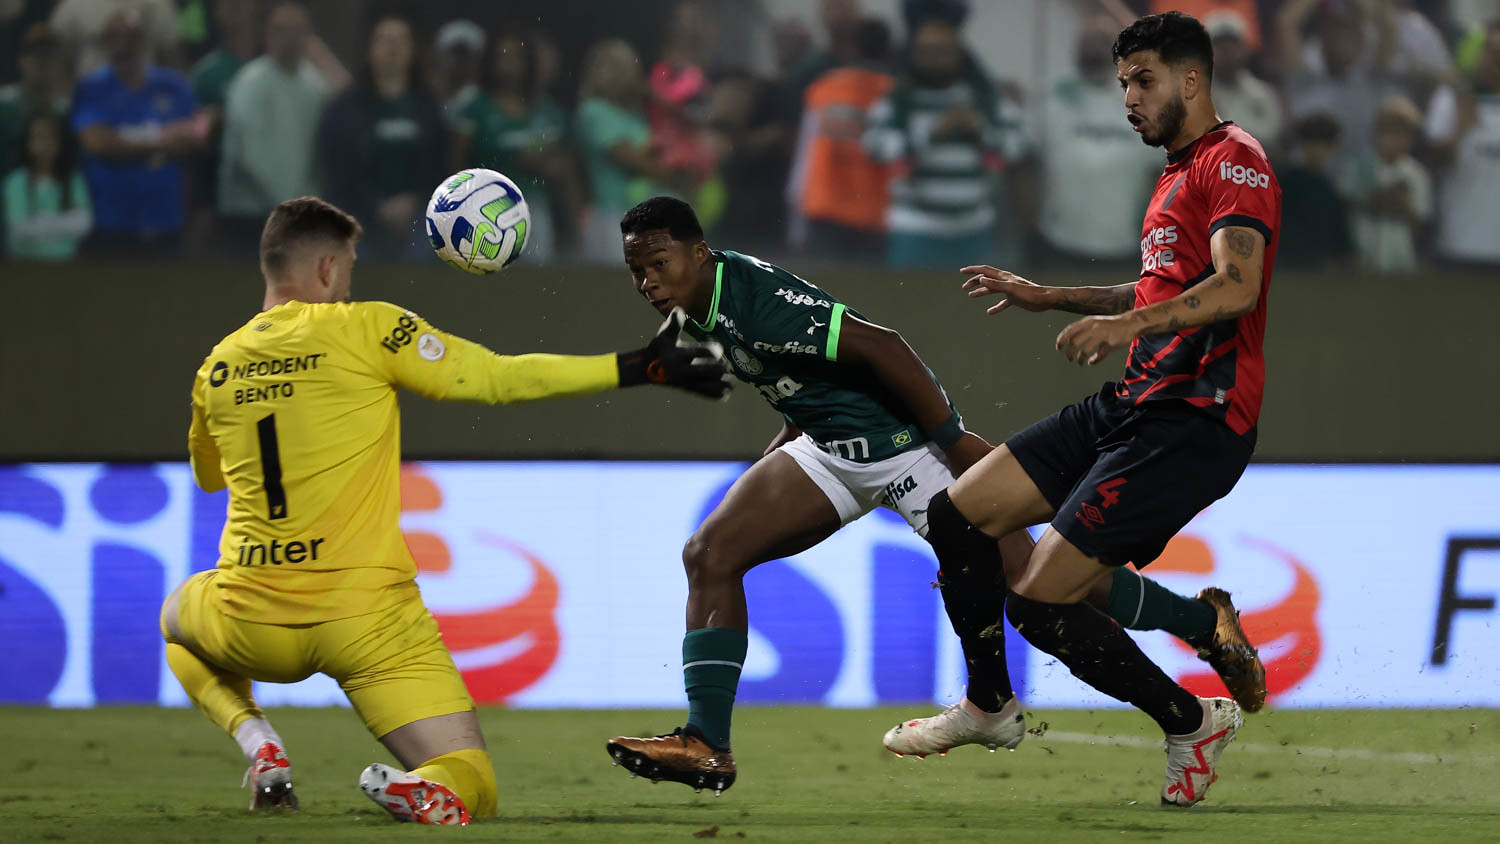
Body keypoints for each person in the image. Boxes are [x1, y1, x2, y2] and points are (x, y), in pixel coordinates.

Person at [603, 196, 1265, 796]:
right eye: (636, 272)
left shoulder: (754, 296)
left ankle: (1201, 627)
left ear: (698, 253)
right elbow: (798, 376)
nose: (647, 282)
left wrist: (952, 442)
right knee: (709, 553)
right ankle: (707, 745)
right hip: (830, 449)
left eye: (658, 264)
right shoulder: (696, 309)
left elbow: (880, 346)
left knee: (1046, 583)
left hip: (911, 450)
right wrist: (780, 456)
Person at [158, 195, 729, 824]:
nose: (347, 283)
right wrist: (641, 366)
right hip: (369, 623)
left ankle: (258, 742)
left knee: (174, 620)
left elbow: (209, 477)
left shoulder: (216, 367)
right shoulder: (366, 328)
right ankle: (428, 787)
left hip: (250, 615)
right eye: (346, 268)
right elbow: (495, 378)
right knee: (471, 782)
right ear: (325, 269)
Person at [934, 12, 1278, 807]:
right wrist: (1048, 295)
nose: (1127, 96)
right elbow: (1160, 291)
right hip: (1132, 400)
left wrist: (1125, 326)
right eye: (1123, 81)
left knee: (1039, 602)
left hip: (1193, 420)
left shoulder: (1237, 163)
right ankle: (991, 705)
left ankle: (1190, 720)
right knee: (960, 515)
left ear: (1192, 80)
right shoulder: (1173, 172)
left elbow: (1237, 286)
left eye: (1143, 80)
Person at [864, 12, 1021, 268]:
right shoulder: (898, 98)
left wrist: (982, 132)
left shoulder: (985, 98)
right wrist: (932, 134)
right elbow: (873, 145)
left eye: (941, 51)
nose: (932, 59)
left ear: (959, 53)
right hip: (915, 229)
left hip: (974, 229)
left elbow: (1018, 145)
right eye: (924, 51)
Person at [1027, 15, 1162, 268]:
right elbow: (1025, 163)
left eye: (1102, 41)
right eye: (1087, 41)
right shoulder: (1050, 96)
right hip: (1058, 243)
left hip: (1123, 247)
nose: (1094, 49)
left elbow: (1156, 175)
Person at [72, 9, 206, 258]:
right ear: (105, 43)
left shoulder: (173, 85)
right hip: (111, 223)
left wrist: (126, 141)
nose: (122, 45)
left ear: (143, 40)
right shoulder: (92, 88)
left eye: (130, 37)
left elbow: (195, 134)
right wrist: (161, 141)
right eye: (114, 37)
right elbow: (97, 142)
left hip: (166, 221)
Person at [317, 15, 447, 263]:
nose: (392, 47)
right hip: (358, 215)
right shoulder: (344, 109)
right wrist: (377, 206)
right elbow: (338, 170)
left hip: (417, 215)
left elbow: (438, 166)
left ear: (412, 51)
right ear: (370, 49)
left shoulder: (428, 108)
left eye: (400, 40)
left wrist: (414, 200)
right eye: (384, 40)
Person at [219, 1, 347, 249]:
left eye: (297, 30)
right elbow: (250, 155)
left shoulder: (316, 86)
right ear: (267, 33)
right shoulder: (249, 83)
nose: (289, 38)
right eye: (281, 29)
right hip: (252, 216)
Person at [453, 34, 580, 265]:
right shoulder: (475, 108)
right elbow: (456, 162)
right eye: (502, 55)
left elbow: (566, 166)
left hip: (537, 207)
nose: (509, 62)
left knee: (536, 276)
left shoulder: (548, 111)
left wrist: (546, 165)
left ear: (528, 62)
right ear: (490, 61)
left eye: (516, 56)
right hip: (485, 210)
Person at [1425, 18, 1500, 267]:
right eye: (1491, 52)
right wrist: (1460, 130)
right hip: (1459, 247)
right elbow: (1432, 166)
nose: (1496, 60)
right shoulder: (1450, 99)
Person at [1338, 94, 1430, 273]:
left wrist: (1403, 203)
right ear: (1376, 131)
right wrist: (1386, 196)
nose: (1396, 138)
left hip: (1400, 256)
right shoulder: (1358, 165)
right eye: (1389, 130)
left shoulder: (1417, 173)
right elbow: (1348, 206)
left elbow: (1420, 220)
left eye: (1404, 133)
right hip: (1362, 252)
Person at [3, 111, 91, 259]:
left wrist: (41, 221)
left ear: (59, 142)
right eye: (39, 137)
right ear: (28, 142)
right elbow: (18, 228)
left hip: (65, 261)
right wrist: (62, 222)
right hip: (23, 262)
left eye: (50, 137)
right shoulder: (16, 181)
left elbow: (84, 223)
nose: (45, 144)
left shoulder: (72, 179)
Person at [1277, 112, 1353, 271]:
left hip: (1321, 269)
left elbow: (1339, 234)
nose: (1317, 150)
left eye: (1323, 144)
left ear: (1333, 148)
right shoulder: (1286, 181)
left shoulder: (1330, 190)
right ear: (1302, 145)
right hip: (1286, 265)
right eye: (1311, 143)